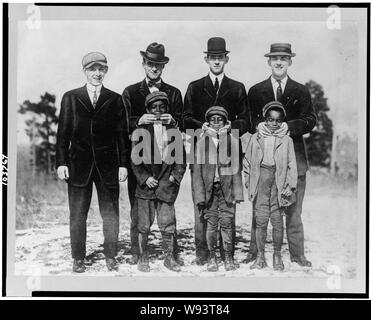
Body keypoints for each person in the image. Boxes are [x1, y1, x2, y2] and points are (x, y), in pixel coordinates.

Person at [56, 52, 129, 273]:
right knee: (77, 214)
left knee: (111, 213)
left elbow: (122, 136)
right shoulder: (71, 97)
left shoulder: (115, 99)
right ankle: (78, 257)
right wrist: (61, 162)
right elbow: (63, 133)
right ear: (85, 71)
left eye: (101, 69)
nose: (97, 74)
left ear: (106, 71)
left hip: (108, 166)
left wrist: (123, 164)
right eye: (92, 69)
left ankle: (110, 255)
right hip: (78, 166)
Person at [245, 43, 317, 267]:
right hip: (264, 161)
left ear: (290, 62)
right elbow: (248, 120)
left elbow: (311, 120)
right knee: (261, 209)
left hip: (294, 159)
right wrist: (260, 126)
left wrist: (290, 127)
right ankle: (255, 252)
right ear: (268, 61)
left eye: (283, 58)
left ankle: (297, 254)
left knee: (294, 210)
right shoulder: (256, 90)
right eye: (275, 58)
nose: (279, 62)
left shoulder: (301, 90)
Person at [182, 37, 250, 265]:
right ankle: (204, 254)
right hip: (202, 153)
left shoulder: (237, 87)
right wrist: (201, 126)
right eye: (213, 57)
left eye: (220, 57)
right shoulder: (194, 86)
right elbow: (185, 118)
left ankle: (226, 254)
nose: (217, 61)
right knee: (202, 202)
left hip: (229, 154)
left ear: (226, 59)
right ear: (206, 59)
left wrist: (233, 127)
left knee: (227, 205)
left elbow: (246, 120)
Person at [122, 42, 184, 265]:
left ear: (163, 66)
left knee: (167, 211)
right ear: (143, 64)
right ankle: (138, 254)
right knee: (139, 210)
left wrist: (174, 121)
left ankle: (171, 254)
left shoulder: (174, 93)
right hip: (141, 161)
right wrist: (138, 121)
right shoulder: (130, 92)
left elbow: (183, 124)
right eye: (150, 63)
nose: (154, 68)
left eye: (158, 64)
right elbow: (121, 123)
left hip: (166, 161)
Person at [131, 91, 186, 272]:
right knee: (144, 224)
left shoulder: (173, 132)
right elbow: (135, 160)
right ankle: (143, 257)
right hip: (147, 187)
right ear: (147, 110)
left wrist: (174, 177)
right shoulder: (140, 132)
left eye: (162, 107)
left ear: (167, 109)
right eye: (154, 107)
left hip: (166, 186)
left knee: (168, 223)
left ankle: (169, 257)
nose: (158, 111)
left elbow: (181, 159)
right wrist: (145, 178)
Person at [243, 101, 297, 270]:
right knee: (260, 220)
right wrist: (249, 181)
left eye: (278, 120)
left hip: (278, 182)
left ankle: (277, 255)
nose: (274, 124)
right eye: (270, 119)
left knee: (277, 221)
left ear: (282, 121)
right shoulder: (256, 137)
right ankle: (260, 257)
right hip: (261, 180)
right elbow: (247, 162)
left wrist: (291, 185)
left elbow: (291, 164)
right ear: (265, 119)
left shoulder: (287, 140)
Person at [192, 106, 244, 272]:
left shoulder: (232, 141)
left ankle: (228, 256)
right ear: (207, 122)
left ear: (225, 121)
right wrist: (199, 196)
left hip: (226, 190)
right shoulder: (201, 142)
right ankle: (212, 257)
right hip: (209, 191)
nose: (215, 123)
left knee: (227, 223)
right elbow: (197, 172)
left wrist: (237, 193)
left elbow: (236, 170)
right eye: (212, 120)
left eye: (219, 120)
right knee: (211, 224)